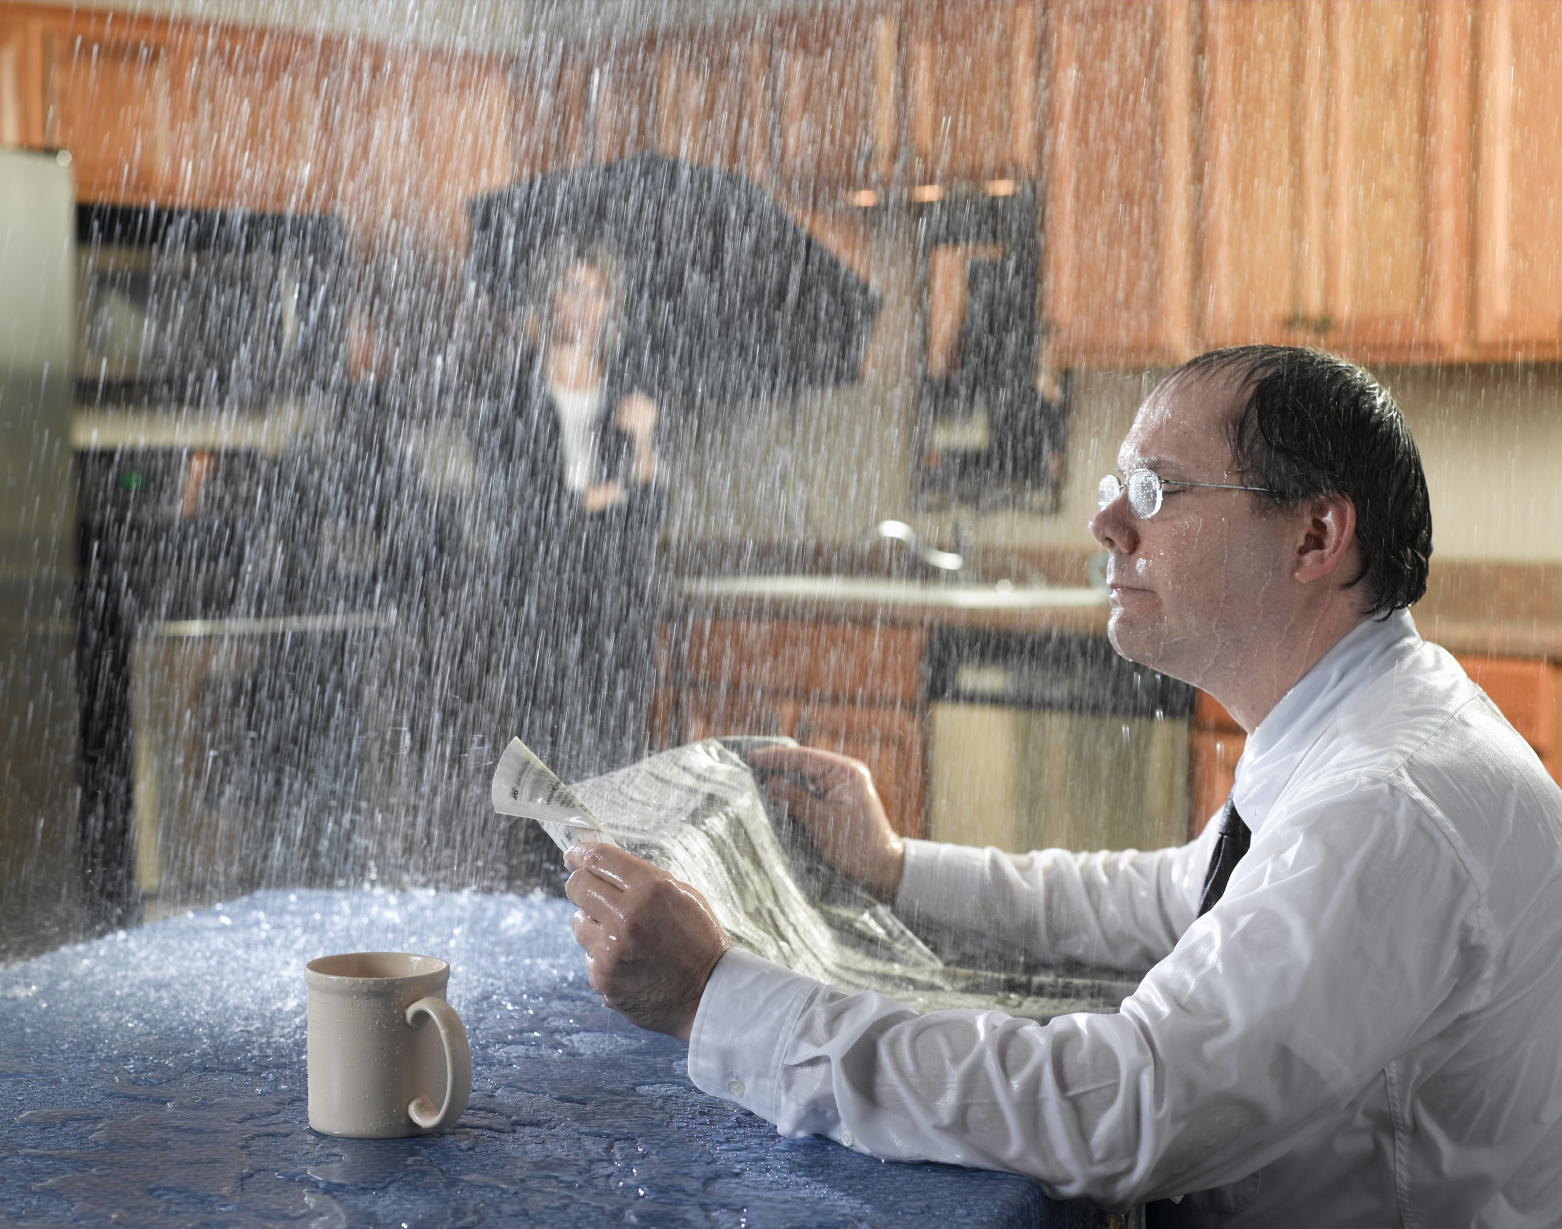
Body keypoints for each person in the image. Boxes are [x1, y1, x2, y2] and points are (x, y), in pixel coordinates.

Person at [563, 346, 1562, 1224]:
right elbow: (1173, 899)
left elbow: (1117, 1109)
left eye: (1157, 491)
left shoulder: (1386, 805)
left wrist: (719, 999)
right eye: (1115, 482)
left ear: (1313, 536)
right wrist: (896, 867)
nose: (1104, 521)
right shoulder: (1359, 717)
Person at [478, 240, 665, 785]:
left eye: (598, 293)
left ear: (611, 306)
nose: (585, 306)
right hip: (540, 599)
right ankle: (557, 870)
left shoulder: (627, 393)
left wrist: (646, 441)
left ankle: (603, 869)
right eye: (571, 289)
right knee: (550, 757)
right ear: (547, 299)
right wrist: (605, 496)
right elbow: (518, 506)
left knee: (616, 754)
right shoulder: (509, 393)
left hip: (615, 597)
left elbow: (651, 512)